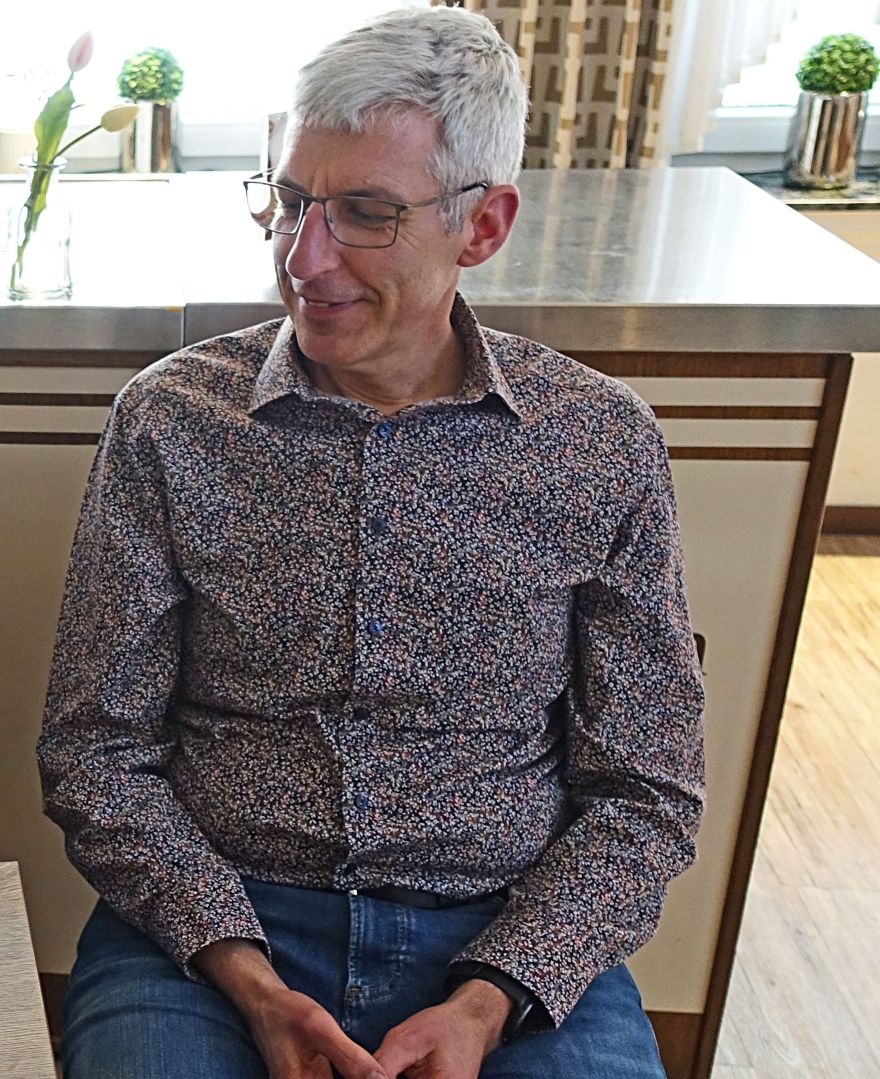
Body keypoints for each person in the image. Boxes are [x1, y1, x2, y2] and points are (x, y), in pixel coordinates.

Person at [37, 8, 704, 1079]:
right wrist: (247, 975)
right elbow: (94, 749)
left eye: (364, 213)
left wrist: (489, 1000)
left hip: (501, 929)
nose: (304, 256)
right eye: (290, 200)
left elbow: (648, 789)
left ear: (482, 226)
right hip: (211, 927)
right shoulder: (172, 420)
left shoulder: (598, 440)